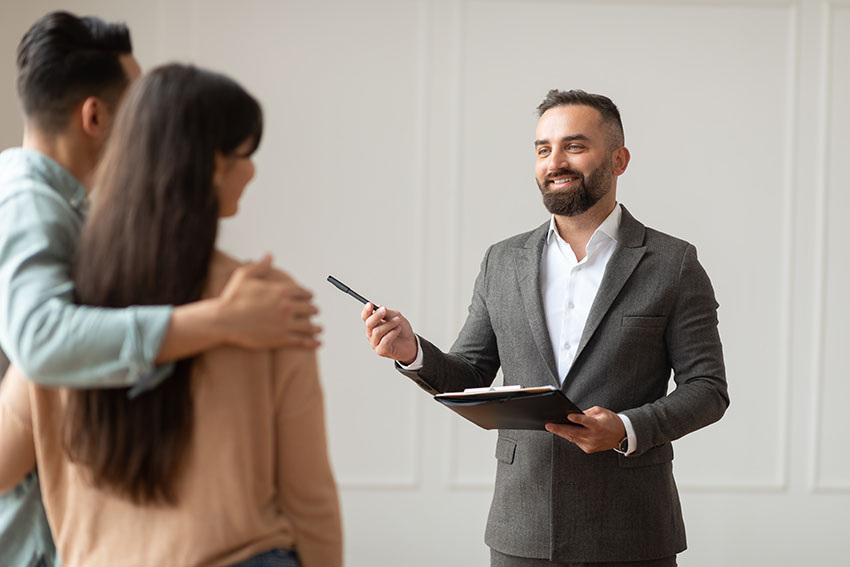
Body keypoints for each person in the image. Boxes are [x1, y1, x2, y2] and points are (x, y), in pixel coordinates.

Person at [0, 12, 322, 567]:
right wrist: (220, 321)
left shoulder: (82, 234)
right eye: (134, 107)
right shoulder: (32, 206)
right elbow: (39, 343)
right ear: (96, 117)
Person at [361, 90, 729, 566]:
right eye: (543, 148)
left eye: (574, 146)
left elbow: (707, 389)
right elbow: (472, 373)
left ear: (619, 160)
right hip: (522, 527)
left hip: (632, 528)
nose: (555, 161)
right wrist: (412, 351)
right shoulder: (502, 260)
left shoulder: (673, 263)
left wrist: (625, 428)